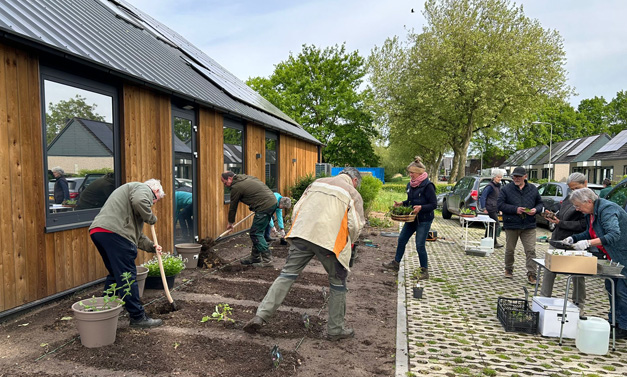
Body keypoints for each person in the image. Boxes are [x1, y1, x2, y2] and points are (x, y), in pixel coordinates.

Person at [243, 167, 365, 341]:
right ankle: (336, 329)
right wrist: (348, 244)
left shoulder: (316, 183)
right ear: (354, 181)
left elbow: (298, 208)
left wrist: (298, 230)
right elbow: (355, 226)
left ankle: (260, 316)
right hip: (328, 242)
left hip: (301, 234)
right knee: (338, 283)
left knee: (286, 275)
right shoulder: (352, 193)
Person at [89, 179, 165, 328]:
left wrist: (152, 247)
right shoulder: (142, 188)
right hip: (115, 234)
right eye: (154, 202)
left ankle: (105, 308)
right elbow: (140, 201)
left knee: (115, 275)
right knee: (127, 276)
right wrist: (151, 218)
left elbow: (136, 236)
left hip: (100, 232)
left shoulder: (128, 203)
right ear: (155, 191)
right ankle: (138, 317)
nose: (151, 204)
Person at [562, 188, 627, 338]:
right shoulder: (590, 214)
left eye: (578, 206)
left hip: (623, 255)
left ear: (589, 201)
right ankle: (614, 323)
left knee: (622, 291)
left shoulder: (607, 210)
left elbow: (613, 234)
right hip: (612, 257)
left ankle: (623, 327)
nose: (577, 209)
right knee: (611, 287)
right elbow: (591, 232)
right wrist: (574, 238)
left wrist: (588, 243)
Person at [540, 173, 588, 313]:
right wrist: (553, 216)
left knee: (578, 275)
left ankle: (579, 306)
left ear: (585, 183)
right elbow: (561, 214)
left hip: (576, 243)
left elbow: (583, 225)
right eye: (571, 189)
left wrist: (562, 223)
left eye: (576, 188)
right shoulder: (569, 198)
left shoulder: (589, 201)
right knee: (549, 272)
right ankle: (543, 301)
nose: (574, 192)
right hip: (557, 240)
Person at [382, 156, 437, 279]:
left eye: (412, 172)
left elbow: (434, 204)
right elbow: (411, 201)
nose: (410, 175)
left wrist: (421, 208)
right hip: (411, 218)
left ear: (418, 173)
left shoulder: (428, 186)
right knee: (401, 239)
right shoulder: (410, 185)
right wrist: (402, 203)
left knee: (419, 245)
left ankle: (424, 271)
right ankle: (396, 264)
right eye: (410, 172)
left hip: (424, 219)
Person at [497, 166, 543, 284]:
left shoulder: (533, 188)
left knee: (530, 250)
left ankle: (532, 274)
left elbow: (540, 203)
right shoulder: (506, 189)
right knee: (510, 249)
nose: (516, 178)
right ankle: (508, 269)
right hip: (512, 224)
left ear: (525, 177)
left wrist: (535, 210)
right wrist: (515, 209)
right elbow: (500, 205)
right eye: (514, 176)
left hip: (529, 225)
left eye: (519, 176)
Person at [221, 171, 278, 267]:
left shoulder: (236, 187)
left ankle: (267, 260)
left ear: (230, 178)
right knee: (257, 232)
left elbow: (233, 207)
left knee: (255, 233)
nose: (225, 185)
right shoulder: (246, 178)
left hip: (264, 206)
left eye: (225, 182)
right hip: (271, 203)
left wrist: (230, 222)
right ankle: (255, 257)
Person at [479, 169, 505, 249]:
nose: (499, 179)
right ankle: (494, 243)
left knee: (490, 225)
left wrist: (500, 209)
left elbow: (499, 198)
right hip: (490, 208)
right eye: (498, 177)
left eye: (500, 177)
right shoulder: (490, 186)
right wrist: (483, 208)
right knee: (496, 224)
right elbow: (483, 197)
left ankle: (486, 240)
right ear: (494, 177)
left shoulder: (498, 186)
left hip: (495, 207)